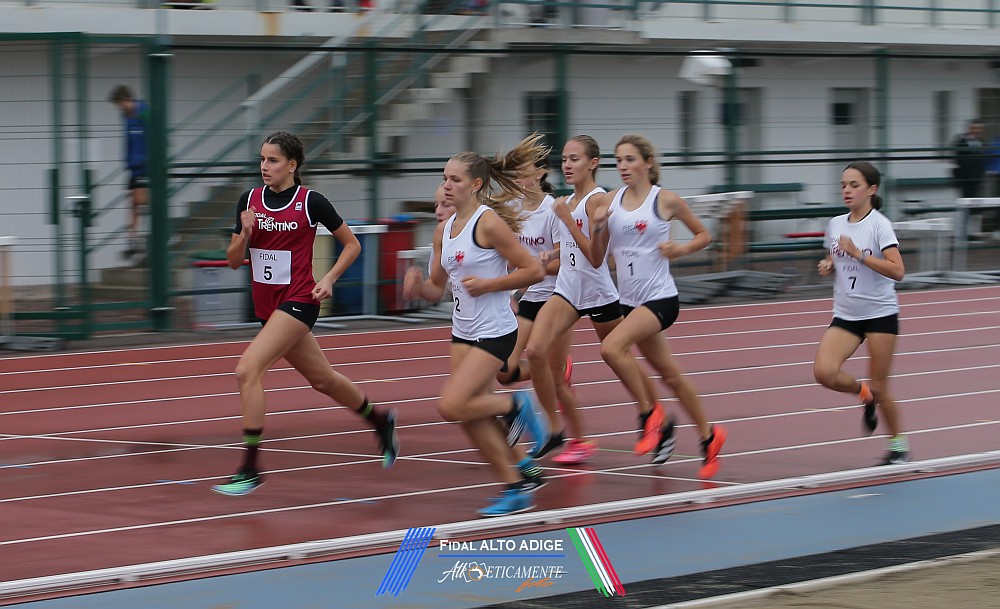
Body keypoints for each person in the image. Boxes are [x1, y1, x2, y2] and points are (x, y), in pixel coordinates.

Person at [212, 131, 399, 496]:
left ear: (292, 165)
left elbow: (352, 244)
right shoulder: (249, 200)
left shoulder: (311, 202)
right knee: (323, 380)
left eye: (273, 160)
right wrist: (245, 233)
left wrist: (329, 278)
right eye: (262, 159)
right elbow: (234, 261)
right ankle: (380, 420)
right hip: (268, 308)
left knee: (247, 370)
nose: (264, 166)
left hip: (299, 301)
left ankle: (250, 468)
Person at [402, 135, 550, 517]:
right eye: (445, 178)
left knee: (452, 404)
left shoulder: (488, 223)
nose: (447, 185)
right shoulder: (443, 230)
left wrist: (489, 284)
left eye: (455, 179)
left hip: (495, 330)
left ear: (476, 185)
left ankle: (517, 403)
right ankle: (516, 485)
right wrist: (418, 288)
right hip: (463, 331)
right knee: (470, 414)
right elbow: (437, 289)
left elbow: (532, 270)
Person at [589, 134, 727, 478]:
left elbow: (704, 235)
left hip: (661, 298)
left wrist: (681, 249)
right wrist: (597, 228)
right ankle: (710, 436)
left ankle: (650, 415)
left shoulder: (664, 200)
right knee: (670, 376)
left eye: (630, 159)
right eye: (618, 160)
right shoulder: (610, 200)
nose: (623, 166)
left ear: (648, 163)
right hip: (630, 302)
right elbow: (597, 257)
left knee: (611, 348)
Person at [523, 135, 656, 466]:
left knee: (617, 356)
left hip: (597, 292)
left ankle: (651, 412)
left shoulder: (598, 201)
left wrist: (568, 220)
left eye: (575, 159)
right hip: (568, 290)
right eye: (564, 159)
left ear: (593, 163)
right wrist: (552, 253)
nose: (567, 165)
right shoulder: (567, 201)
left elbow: (596, 259)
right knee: (536, 351)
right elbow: (570, 248)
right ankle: (553, 429)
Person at [814, 161, 908, 465]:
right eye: (843, 185)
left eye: (854, 185)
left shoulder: (880, 225)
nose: (847, 190)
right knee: (824, 372)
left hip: (880, 314)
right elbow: (833, 254)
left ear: (871, 189)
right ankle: (862, 392)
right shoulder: (835, 224)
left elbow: (898, 271)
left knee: (882, 385)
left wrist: (859, 255)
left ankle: (898, 446)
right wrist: (829, 264)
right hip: (846, 314)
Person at [495, 152, 577, 463]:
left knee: (541, 359)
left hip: (557, 296)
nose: (517, 178)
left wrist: (536, 267)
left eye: (523, 172)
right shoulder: (513, 208)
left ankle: (558, 432)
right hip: (531, 295)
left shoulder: (551, 210)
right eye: (513, 173)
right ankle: (558, 368)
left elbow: (565, 261)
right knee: (505, 371)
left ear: (540, 174)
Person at [108, 85, 149, 264]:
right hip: (134, 166)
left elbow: (152, 138)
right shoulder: (126, 116)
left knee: (140, 201)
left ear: (126, 99)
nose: (119, 108)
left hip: (146, 166)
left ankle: (160, 234)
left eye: (119, 104)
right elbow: (129, 141)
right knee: (133, 204)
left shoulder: (145, 112)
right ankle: (133, 241)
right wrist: (127, 161)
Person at [951, 119, 988, 199]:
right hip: (966, 178)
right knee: (967, 198)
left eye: (980, 128)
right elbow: (958, 158)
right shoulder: (962, 141)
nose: (978, 131)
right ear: (970, 128)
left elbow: (984, 157)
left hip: (977, 177)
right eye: (975, 128)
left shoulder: (982, 141)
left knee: (976, 199)